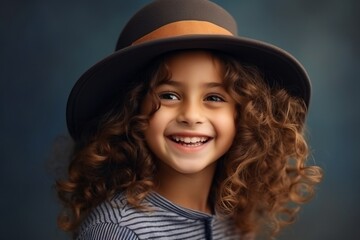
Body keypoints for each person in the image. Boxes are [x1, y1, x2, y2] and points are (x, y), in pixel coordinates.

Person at [56, 0, 322, 239]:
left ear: (244, 114)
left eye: (215, 97)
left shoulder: (229, 217)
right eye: (169, 95)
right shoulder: (117, 231)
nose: (191, 116)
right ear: (132, 110)